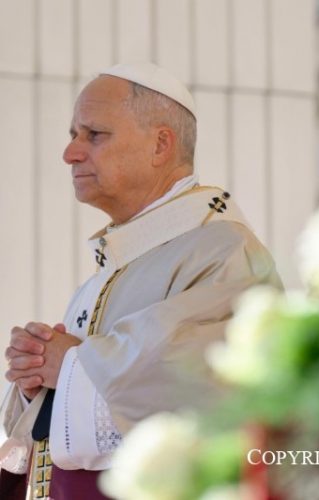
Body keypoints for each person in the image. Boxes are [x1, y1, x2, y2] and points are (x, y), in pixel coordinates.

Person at [1, 62, 282, 499]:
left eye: (94, 135)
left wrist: (70, 365)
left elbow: (202, 390)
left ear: (160, 145)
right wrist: (36, 378)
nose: (70, 153)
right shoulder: (113, 268)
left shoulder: (224, 251)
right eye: (73, 135)